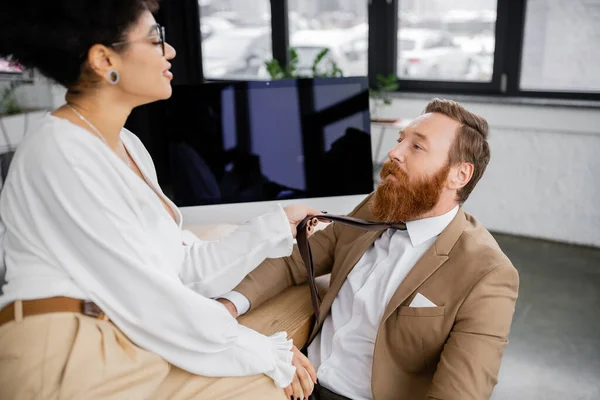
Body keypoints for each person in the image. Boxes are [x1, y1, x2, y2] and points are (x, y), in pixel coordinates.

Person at [0, 1, 318, 399]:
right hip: (66, 351)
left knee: (267, 378)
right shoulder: (61, 150)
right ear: (103, 59)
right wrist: (263, 350)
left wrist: (277, 224)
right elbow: (151, 297)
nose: (169, 51)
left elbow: (183, 270)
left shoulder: (128, 145)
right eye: (155, 40)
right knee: (266, 382)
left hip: (125, 341)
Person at [219, 98, 520, 400]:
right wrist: (228, 306)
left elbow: (459, 394)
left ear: (460, 175)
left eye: (417, 147)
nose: (394, 152)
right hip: (299, 381)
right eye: (401, 140)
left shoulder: (488, 274)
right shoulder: (374, 208)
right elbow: (295, 261)